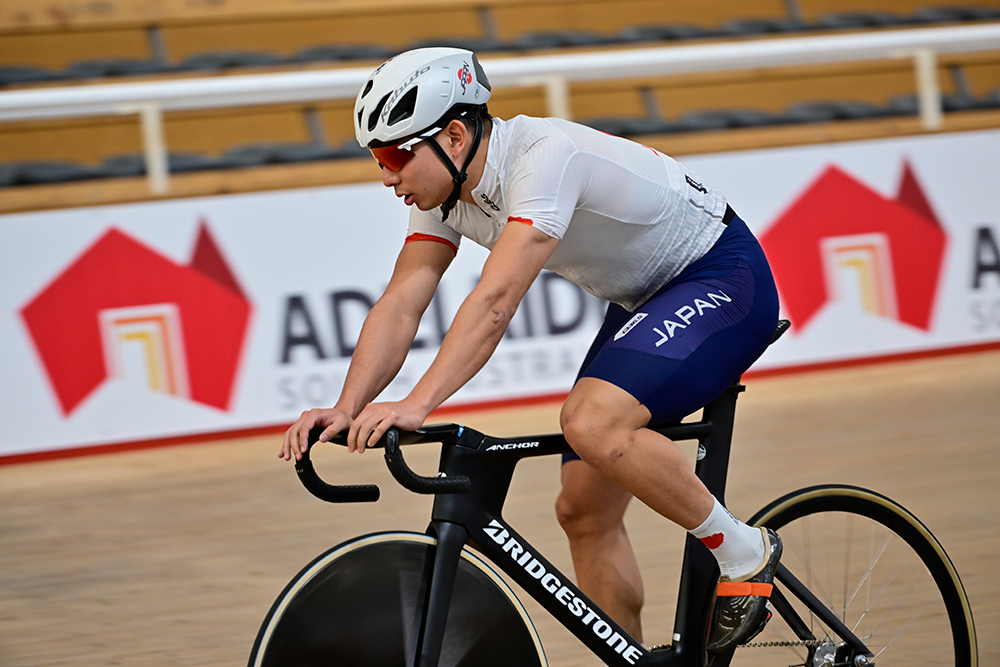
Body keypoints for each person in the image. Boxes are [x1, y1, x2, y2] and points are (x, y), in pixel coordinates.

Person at [279, 47, 781, 652]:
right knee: (583, 513)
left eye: (393, 155)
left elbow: (495, 303)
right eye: (378, 159)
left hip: (722, 278)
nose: (387, 176)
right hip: (643, 301)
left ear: (455, 137)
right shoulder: (448, 194)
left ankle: (746, 552)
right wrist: (348, 404)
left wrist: (415, 405)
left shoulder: (544, 160)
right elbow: (402, 302)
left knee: (592, 423)